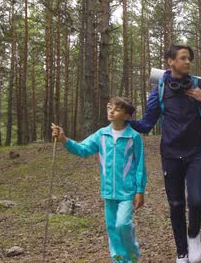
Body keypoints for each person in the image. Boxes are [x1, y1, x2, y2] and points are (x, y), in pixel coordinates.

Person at [128, 44, 201, 263]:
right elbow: (147, 123)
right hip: (170, 153)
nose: (188, 62)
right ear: (170, 61)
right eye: (183, 58)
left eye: (189, 59)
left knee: (196, 201)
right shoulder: (159, 89)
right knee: (176, 205)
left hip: (196, 152)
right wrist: (126, 121)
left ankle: (193, 235)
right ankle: (181, 252)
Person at [51, 97, 147, 263]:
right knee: (112, 229)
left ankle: (132, 257)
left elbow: (140, 165)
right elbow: (83, 149)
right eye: (109, 107)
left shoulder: (134, 137)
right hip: (108, 191)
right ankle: (118, 260)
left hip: (127, 191)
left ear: (126, 116)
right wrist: (64, 140)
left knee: (123, 225)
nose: (111, 111)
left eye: (116, 109)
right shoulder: (101, 135)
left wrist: (140, 190)